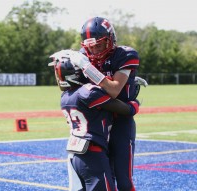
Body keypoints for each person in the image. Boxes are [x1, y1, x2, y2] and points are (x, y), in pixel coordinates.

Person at [59, 17, 148, 191]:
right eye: (90, 46)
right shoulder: (84, 56)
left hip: (120, 122)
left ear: (110, 39)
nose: (94, 50)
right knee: (103, 178)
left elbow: (114, 90)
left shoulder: (124, 54)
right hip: (97, 125)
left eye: (98, 45)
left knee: (123, 179)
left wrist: (88, 67)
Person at [48, 56, 140, 191]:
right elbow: (126, 110)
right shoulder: (87, 92)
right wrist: (134, 103)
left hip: (76, 155)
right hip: (93, 153)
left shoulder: (65, 96)